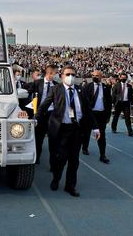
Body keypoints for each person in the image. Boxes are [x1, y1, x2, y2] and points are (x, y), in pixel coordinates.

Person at [36, 65, 100, 197]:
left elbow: (87, 110)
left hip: (76, 129)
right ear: (62, 76)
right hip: (61, 130)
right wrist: (35, 118)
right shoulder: (56, 89)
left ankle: (70, 186)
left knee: (74, 160)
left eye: (73, 74)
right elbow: (44, 106)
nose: (71, 77)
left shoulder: (79, 90)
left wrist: (95, 127)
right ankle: (56, 179)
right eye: (68, 74)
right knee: (61, 159)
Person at [28, 64, 58, 167]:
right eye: (54, 74)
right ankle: (37, 158)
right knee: (38, 138)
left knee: (53, 139)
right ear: (48, 73)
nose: (54, 76)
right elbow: (27, 93)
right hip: (39, 114)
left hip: (52, 115)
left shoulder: (57, 85)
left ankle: (53, 163)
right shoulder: (37, 83)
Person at [82, 70, 112, 163]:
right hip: (90, 114)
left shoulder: (106, 88)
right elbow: (84, 102)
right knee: (86, 133)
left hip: (101, 115)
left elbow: (109, 103)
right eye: (93, 75)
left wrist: (108, 116)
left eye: (97, 75)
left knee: (102, 135)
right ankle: (85, 147)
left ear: (101, 77)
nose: (95, 77)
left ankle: (102, 155)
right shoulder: (87, 87)